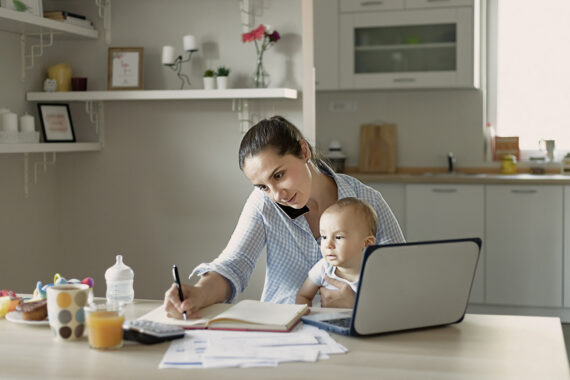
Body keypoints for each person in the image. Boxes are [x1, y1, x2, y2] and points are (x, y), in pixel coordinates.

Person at [164, 116, 404, 319]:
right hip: (282, 333)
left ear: (304, 151)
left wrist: (361, 300)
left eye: (279, 175)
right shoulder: (264, 204)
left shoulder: (368, 201)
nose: (277, 194)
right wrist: (198, 293)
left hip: (354, 333)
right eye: (263, 186)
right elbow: (233, 266)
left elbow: (401, 276)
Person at [296, 197, 377, 306]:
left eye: (338, 237)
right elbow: (303, 296)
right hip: (323, 322)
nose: (328, 245)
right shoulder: (324, 268)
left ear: (367, 243)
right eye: (324, 237)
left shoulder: (374, 275)